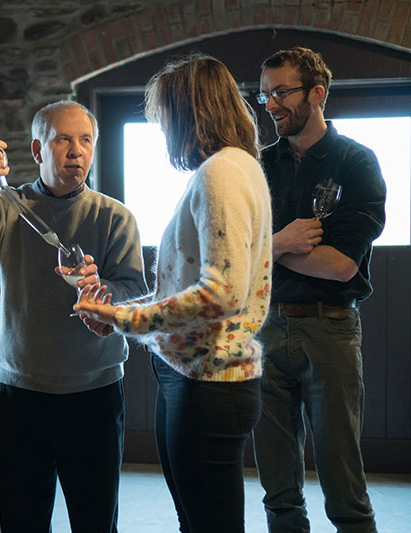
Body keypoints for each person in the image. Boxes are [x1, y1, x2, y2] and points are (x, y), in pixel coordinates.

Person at [73, 55, 273, 533]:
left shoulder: (220, 174)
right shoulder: (235, 166)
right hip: (199, 378)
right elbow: (182, 287)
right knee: (199, 520)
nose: (163, 131)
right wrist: (118, 309)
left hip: (207, 384)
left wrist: (126, 321)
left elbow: (222, 293)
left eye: (165, 118)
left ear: (189, 113)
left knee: (208, 524)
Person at [0, 100, 148, 532]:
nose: (76, 150)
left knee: (94, 522)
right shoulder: (5, 206)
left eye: (85, 140)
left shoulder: (115, 217)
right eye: (63, 139)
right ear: (37, 150)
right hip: (22, 396)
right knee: (23, 523)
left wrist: (101, 291)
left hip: (95, 395)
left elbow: (133, 296)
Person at [252, 47, 385, 532]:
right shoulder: (256, 165)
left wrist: (262, 249)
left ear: (317, 93)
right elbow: (231, 255)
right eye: (264, 94)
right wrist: (282, 240)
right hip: (262, 329)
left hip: (328, 329)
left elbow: (342, 265)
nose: (270, 104)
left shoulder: (355, 163)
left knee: (343, 483)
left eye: (281, 92)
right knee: (277, 489)